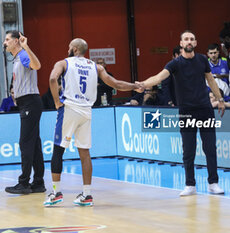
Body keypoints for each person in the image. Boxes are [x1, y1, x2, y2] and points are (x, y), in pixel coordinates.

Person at [44, 38, 142, 207]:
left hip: (69, 109)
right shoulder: (96, 67)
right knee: (85, 153)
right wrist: (135, 85)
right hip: (87, 111)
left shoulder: (64, 63)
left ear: (74, 49)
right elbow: (116, 84)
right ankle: (87, 194)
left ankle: (56, 192)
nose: (67, 50)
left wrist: (56, 102)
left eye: (69, 47)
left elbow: (53, 79)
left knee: (58, 149)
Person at [138, 30, 225, 196]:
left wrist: (220, 100)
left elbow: (211, 80)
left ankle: (213, 182)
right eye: (186, 39)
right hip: (186, 111)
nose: (189, 41)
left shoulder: (202, 60)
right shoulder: (175, 64)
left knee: (210, 148)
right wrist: (143, 83)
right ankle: (190, 184)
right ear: (181, 43)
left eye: (192, 39)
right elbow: (159, 77)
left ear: (196, 43)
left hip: (205, 109)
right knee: (189, 149)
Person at [3, 31, 45, 194]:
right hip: (27, 103)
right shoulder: (17, 59)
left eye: (7, 39)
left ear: (16, 41)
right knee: (34, 144)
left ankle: (24, 182)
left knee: (25, 143)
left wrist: (26, 47)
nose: (4, 43)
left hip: (30, 102)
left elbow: (37, 66)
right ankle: (38, 183)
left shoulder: (24, 55)